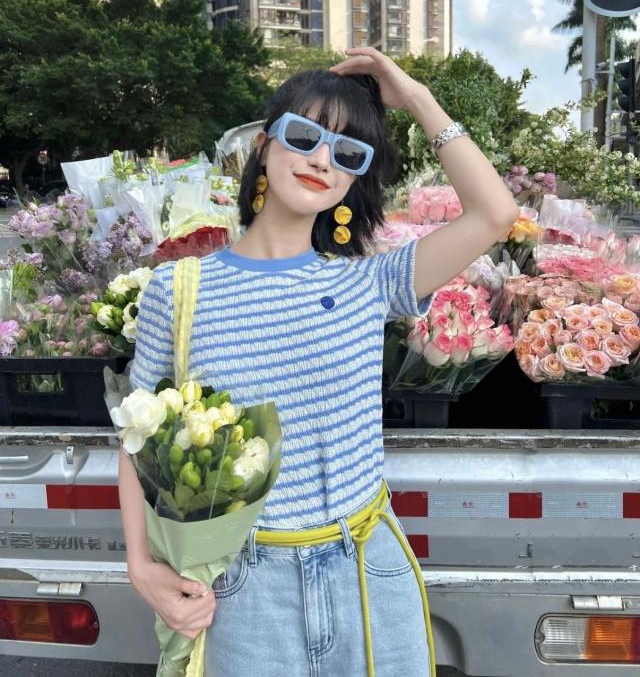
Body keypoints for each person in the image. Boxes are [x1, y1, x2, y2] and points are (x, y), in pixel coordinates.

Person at [119, 47, 519, 676]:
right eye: (304, 136)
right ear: (263, 146)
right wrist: (141, 566)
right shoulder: (180, 288)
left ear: (353, 181)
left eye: (348, 153)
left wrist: (416, 97)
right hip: (243, 586)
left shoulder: (370, 282)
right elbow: (137, 437)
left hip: (365, 568)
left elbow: (496, 213)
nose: (322, 159)